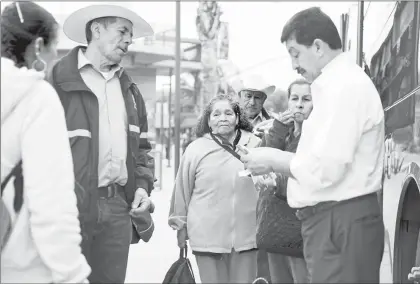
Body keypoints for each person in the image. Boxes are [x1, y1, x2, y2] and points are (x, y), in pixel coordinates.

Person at [240, 7, 385, 283]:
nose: (294, 65)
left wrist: (272, 158)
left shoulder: (344, 88)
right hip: (333, 223)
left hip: (338, 223)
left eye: (295, 53)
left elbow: (325, 167)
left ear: (317, 46)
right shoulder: (335, 87)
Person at [48, 5, 155, 283]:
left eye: (130, 35)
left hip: (118, 206)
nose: (129, 40)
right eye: (122, 31)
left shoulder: (130, 91)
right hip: (69, 209)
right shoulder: (56, 82)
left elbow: (142, 148)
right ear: (96, 30)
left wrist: (142, 186)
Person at [1, 1, 90, 283]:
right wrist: (73, 274)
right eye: (54, 46)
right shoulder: (37, 98)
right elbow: (52, 204)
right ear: (38, 46)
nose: (55, 56)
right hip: (20, 267)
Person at [168, 94, 261, 283]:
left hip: (248, 237)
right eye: (216, 114)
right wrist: (180, 226)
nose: (223, 118)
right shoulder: (195, 149)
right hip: (206, 238)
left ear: (237, 119)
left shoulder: (255, 145)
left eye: (228, 113)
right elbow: (182, 190)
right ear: (208, 122)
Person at [255, 79, 312, 284]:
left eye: (306, 99)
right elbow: (263, 158)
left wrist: (276, 182)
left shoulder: (316, 137)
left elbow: (308, 176)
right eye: (294, 98)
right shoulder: (281, 131)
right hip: (274, 227)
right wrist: (278, 131)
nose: (299, 104)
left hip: (299, 230)